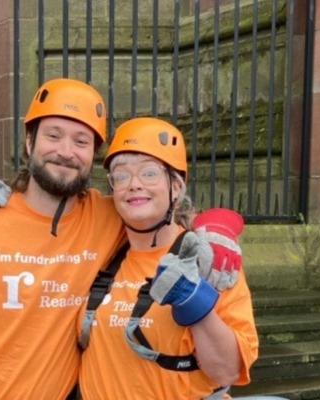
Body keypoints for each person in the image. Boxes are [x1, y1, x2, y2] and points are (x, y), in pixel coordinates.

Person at [0, 78, 242, 400]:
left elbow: (155, 207)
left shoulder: (106, 214)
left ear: (92, 154)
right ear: (30, 143)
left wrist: (216, 226)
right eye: (53, 135)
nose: (66, 151)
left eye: (81, 141)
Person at [75, 117, 258, 399]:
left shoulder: (209, 260)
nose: (134, 184)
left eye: (149, 173)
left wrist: (196, 304)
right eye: (121, 176)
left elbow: (228, 371)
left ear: (176, 185)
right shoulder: (105, 248)